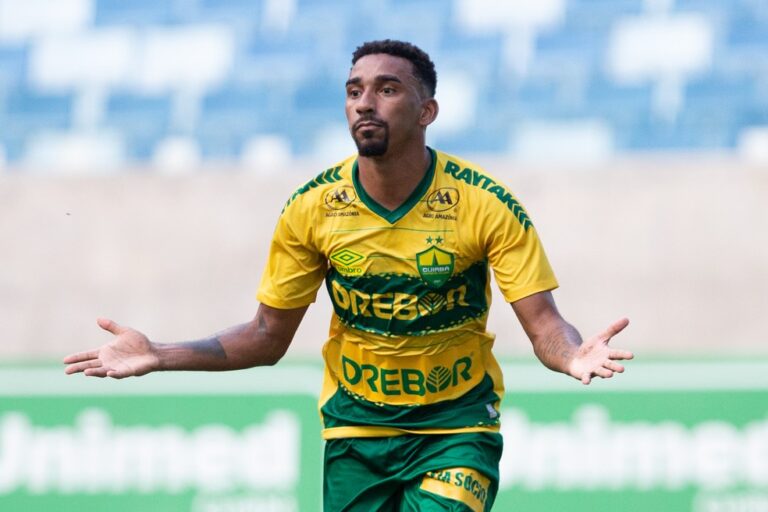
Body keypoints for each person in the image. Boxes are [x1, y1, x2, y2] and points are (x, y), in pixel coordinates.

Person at [64, 39, 633, 511]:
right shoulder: (312, 209)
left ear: (427, 111)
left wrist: (571, 355)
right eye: (354, 91)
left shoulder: (484, 204)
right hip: (356, 432)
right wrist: (159, 354)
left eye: (387, 89)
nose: (365, 104)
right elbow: (266, 337)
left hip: (456, 427)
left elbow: (544, 324)